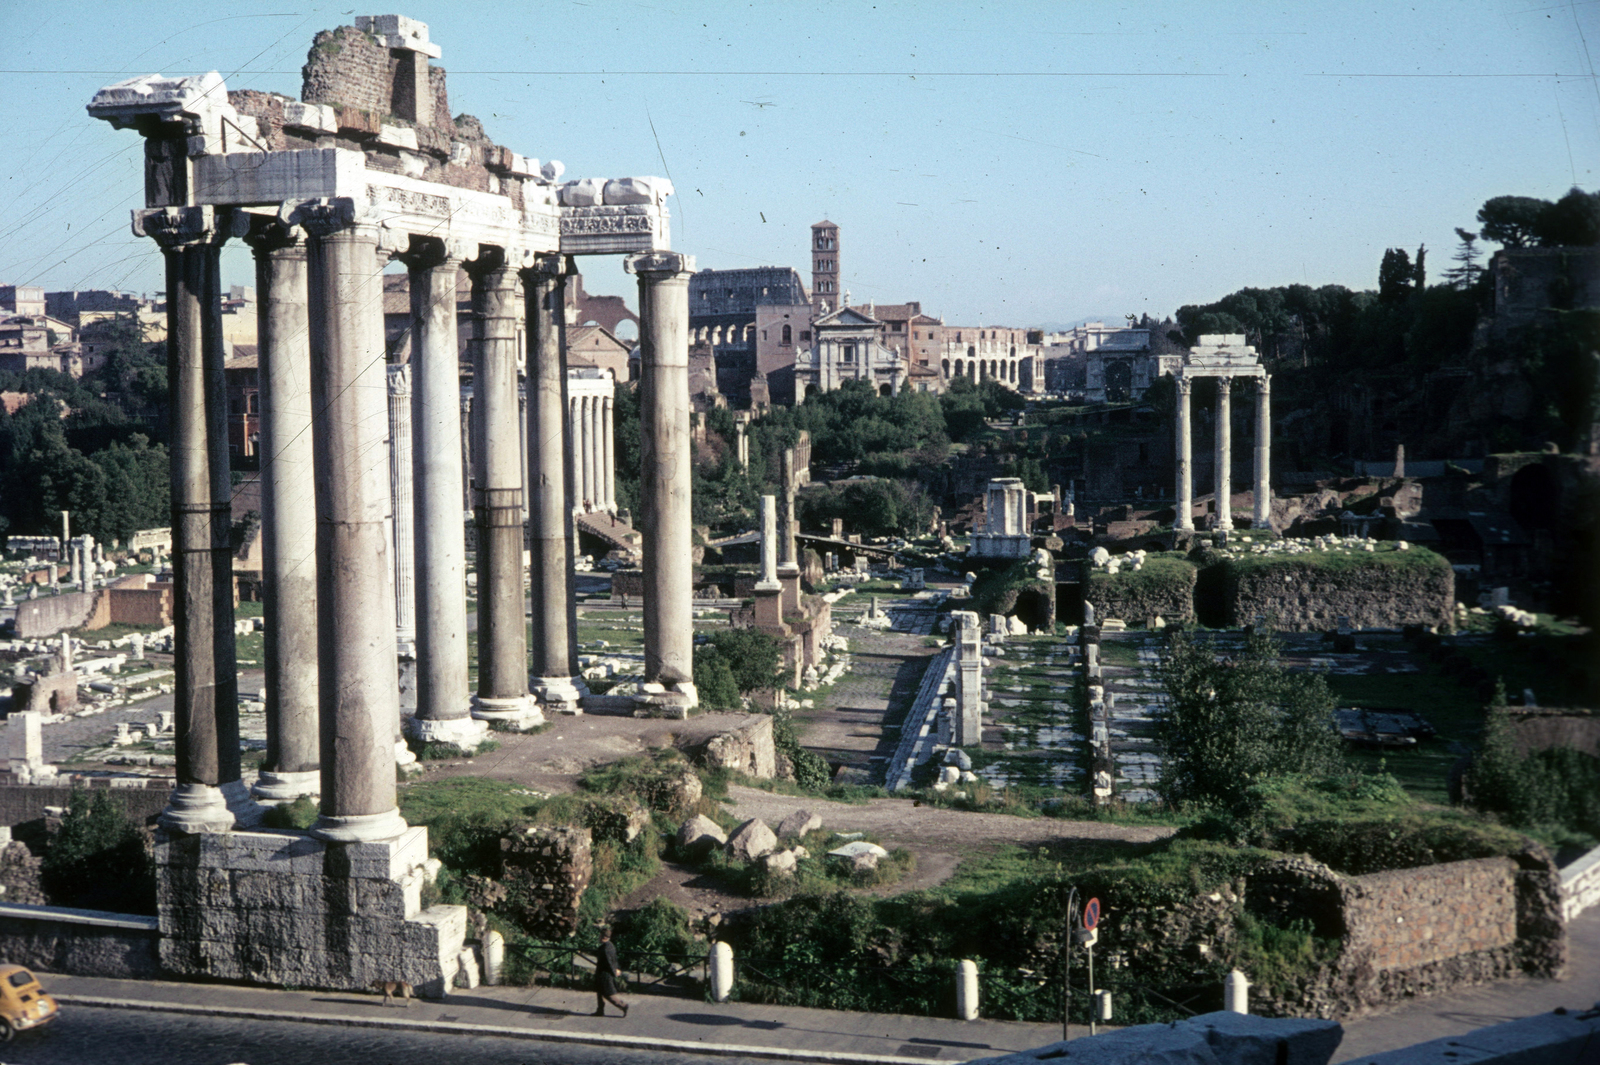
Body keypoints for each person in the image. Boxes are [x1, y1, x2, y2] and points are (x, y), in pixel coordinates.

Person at [593, 926, 628, 1017]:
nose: (599, 937)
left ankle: (623, 1006)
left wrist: (614, 972)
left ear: (603, 937)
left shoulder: (605, 948)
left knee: (608, 994)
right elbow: (614, 960)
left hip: (605, 974)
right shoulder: (610, 945)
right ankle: (600, 1010)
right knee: (600, 993)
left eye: (600, 936)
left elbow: (609, 962)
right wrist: (617, 968)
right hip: (603, 973)